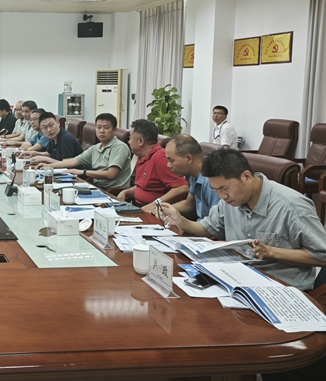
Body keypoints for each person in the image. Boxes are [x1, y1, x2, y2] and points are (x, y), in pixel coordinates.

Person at [160, 149, 326, 292]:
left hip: (280, 288)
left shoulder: (292, 207)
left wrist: (270, 252)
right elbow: (207, 228)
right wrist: (181, 221)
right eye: (215, 190)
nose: (222, 196)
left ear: (246, 177)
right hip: (237, 280)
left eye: (224, 189)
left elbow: (322, 256)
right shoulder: (231, 201)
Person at [39, 113, 131, 190]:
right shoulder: (96, 148)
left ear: (114, 130)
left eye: (106, 128)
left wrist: (83, 172)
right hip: (97, 187)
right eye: (98, 127)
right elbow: (73, 161)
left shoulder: (119, 147)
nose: (102, 131)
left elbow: (111, 174)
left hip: (113, 191)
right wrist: (48, 166)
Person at [117, 119, 188, 210]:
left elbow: (182, 187)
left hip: (155, 211)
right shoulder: (142, 156)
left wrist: (155, 204)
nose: (129, 142)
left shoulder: (160, 158)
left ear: (141, 141)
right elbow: (144, 187)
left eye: (130, 138)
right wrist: (126, 192)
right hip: (138, 206)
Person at [163, 135, 221, 220]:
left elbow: (216, 223)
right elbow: (189, 204)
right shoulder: (194, 175)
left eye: (171, 160)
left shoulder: (211, 181)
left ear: (189, 158)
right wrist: (163, 209)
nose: (168, 165)